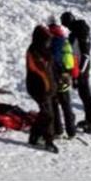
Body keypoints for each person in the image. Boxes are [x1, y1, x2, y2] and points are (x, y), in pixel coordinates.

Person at [61, 12, 91, 134]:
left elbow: (85, 55)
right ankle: (89, 120)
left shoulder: (80, 32)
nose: (66, 27)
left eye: (65, 24)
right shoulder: (76, 32)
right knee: (84, 95)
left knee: (87, 96)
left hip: (81, 69)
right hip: (78, 68)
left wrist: (80, 72)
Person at [25, 24, 58, 153]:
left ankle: (34, 137)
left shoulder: (44, 51)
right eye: (46, 40)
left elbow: (50, 71)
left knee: (45, 114)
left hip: (46, 88)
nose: (48, 43)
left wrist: (55, 84)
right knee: (48, 115)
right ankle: (48, 141)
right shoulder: (34, 52)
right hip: (38, 88)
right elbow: (40, 73)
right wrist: (48, 88)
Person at [47, 18, 76, 139]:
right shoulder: (64, 39)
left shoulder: (54, 40)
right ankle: (71, 131)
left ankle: (58, 131)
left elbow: (55, 58)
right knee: (66, 105)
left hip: (57, 76)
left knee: (55, 104)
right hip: (66, 75)